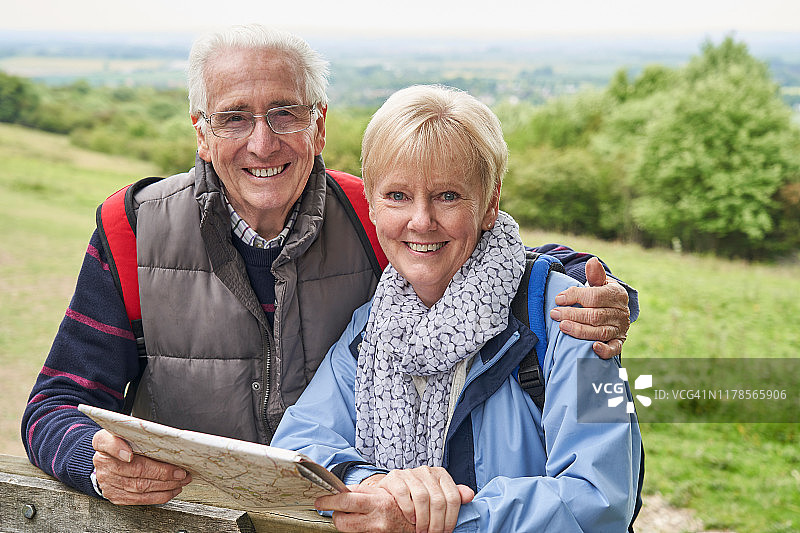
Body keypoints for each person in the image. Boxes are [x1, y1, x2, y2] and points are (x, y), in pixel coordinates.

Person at [21, 25, 637, 506]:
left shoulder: (373, 216)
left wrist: (594, 286)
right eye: (234, 117)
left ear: (318, 126)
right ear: (201, 133)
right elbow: (54, 404)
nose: (262, 142)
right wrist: (97, 464)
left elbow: (482, 248)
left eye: (285, 113)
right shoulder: (134, 228)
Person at [271, 84, 641, 533]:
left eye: (448, 196)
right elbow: (298, 445)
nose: (421, 220)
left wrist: (441, 521)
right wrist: (373, 486)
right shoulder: (372, 326)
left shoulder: (573, 319)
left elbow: (601, 498)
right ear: (371, 203)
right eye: (397, 196)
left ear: (490, 202)